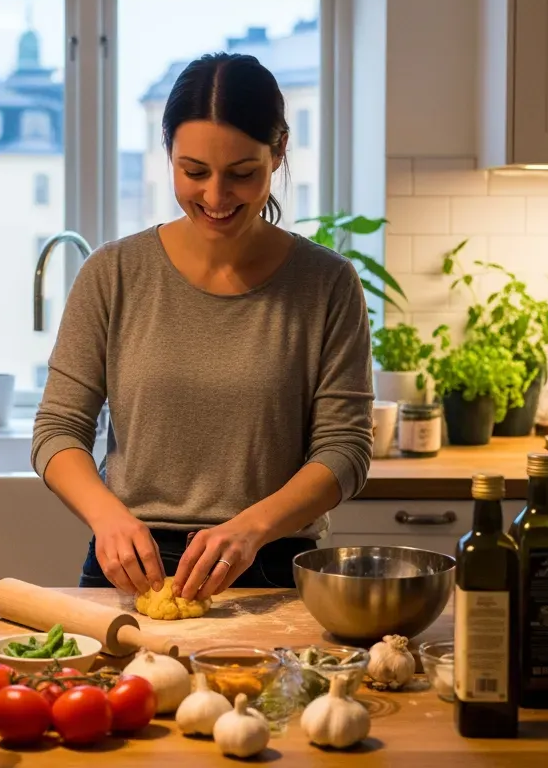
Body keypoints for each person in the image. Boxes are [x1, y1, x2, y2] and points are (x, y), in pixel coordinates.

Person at [31, 52, 373, 603]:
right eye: (194, 173)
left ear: (279, 150)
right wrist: (108, 518)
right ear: (169, 154)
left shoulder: (327, 284)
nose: (215, 198)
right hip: (128, 565)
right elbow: (57, 430)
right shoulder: (113, 274)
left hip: (270, 565)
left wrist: (252, 529)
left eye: (242, 174)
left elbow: (345, 451)